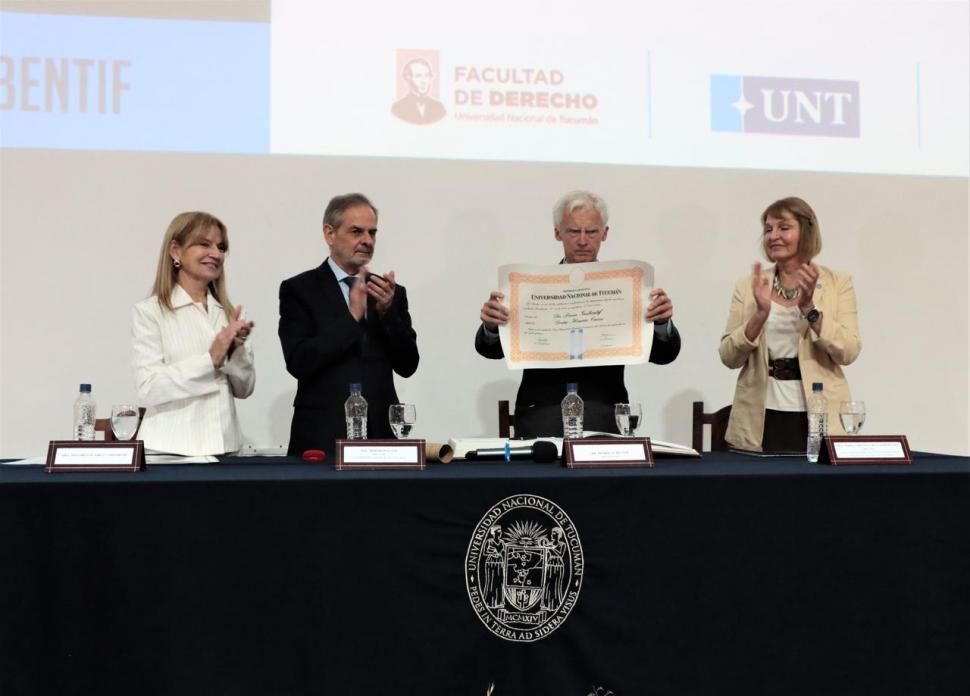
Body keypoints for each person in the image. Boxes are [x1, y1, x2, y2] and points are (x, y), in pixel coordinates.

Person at [475, 190, 681, 437]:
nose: (583, 240)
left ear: (605, 234)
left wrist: (661, 323)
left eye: (591, 232)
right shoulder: (529, 288)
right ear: (557, 233)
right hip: (541, 415)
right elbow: (491, 350)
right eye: (573, 231)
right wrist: (491, 327)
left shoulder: (627, 287)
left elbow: (664, 355)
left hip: (605, 415)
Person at [279, 193, 419, 455]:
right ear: (329, 234)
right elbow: (299, 361)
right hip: (321, 437)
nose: (367, 240)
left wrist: (388, 313)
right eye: (356, 231)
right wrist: (352, 319)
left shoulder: (390, 293)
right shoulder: (299, 290)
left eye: (372, 232)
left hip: (381, 438)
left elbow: (408, 365)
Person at [719, 197, 861, 452]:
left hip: (820, 410)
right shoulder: (748, 285)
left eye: (783, 227)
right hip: (760, 416)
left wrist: (809, 309)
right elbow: (729, 357)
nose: (774, 236)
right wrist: (760, 314)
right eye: (768, 229)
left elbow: (848, 351)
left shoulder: (838, 283)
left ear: (806, 231)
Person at [132, 212, 255, 456]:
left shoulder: (228, 313)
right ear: (175, 251)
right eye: (204, 244)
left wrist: (235, 352)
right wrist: (210, 360)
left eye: (221, 247)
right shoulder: (150, 312)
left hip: (226, 450)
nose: (216, 254)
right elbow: (149, 388)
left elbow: (245, 389)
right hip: (169, 452)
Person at [391, 57, 446, 125]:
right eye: (418, 76)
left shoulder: (439, 108)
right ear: (408, 78)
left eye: (427, 76)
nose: (424, 81)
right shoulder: (397, 108)